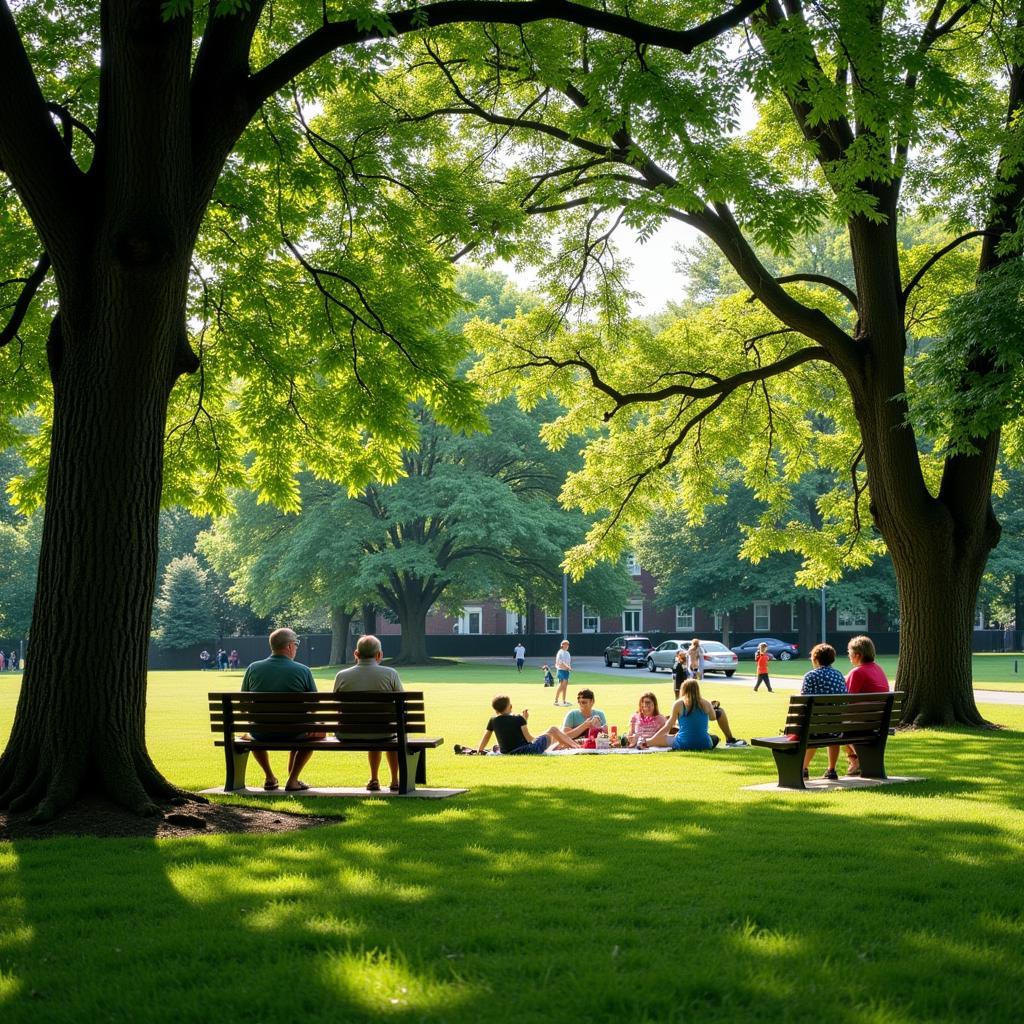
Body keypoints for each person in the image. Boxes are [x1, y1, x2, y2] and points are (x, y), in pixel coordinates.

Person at [241, 627, 323, 792]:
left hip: (261, 732)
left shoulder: (253, 668)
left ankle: (269, 777)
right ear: (290, 646)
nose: (296, 648)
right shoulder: (303, 670)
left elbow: (243, 706)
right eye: (296, 644)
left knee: (251, 733)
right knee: (315, 733)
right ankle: (293, 780)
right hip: (295, 732)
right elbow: (314, 706)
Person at [334, 634, 404, 792]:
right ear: (379, 655)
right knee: (391, 730)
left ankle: (374, 778)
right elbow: (402, 704)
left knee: (378, 727)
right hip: (382, 732)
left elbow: (336, 706)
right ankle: (394, 780)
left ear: (356, 654)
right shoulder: (390, 674)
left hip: (348, 733)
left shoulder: (342, 675)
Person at [648, 680, 746, 749]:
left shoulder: (678, 704)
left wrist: (653, 739)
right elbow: (713, 717)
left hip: (682, 744)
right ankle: (730, 739)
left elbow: (667, 727)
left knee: (664, 738)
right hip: (705, 744)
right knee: (715, 738)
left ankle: (646, 742)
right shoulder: (706, 703)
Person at [843, 635, 890, 776]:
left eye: (849, 653)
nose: (849, 657)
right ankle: (856, 762)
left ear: (857, 655)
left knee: (835, 725)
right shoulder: (878, 669)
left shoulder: (857, 672)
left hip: (863, 721)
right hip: (879, 721)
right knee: (841, 724)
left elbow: (846, 701)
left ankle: (859, 760)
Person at [800, 642, 847, 780]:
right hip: (835, 726)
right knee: (832, 734)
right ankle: (831, 769)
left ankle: (803, 768)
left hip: (815, 726)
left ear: (815, 659)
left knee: (811, 730)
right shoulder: (838, 675)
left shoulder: (810, 676)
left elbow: (804, 701)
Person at [476, 694, 579, 755]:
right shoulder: (519, 718)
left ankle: (566, 745)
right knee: (553, 730)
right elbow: (529, 739)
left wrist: (479, 750)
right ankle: (575, 747)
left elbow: (486, 738)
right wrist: (524, 720)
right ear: (510, 707)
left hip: (507, 751)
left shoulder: (493, 720)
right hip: (526, 750)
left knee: (550, 732)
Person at [553, 640, 572, 706]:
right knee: (562, 685)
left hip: (566, 671)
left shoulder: (568, 653)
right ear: (562, 645)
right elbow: (560, 662)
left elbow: (568, 662)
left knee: (565, 686)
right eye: (565, 644)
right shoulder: (560, 652)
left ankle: (564, 701)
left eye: (567, 645)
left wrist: (569, 667)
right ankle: (556, 700)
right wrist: (567, 667)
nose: (567, 646)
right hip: (561, 670)